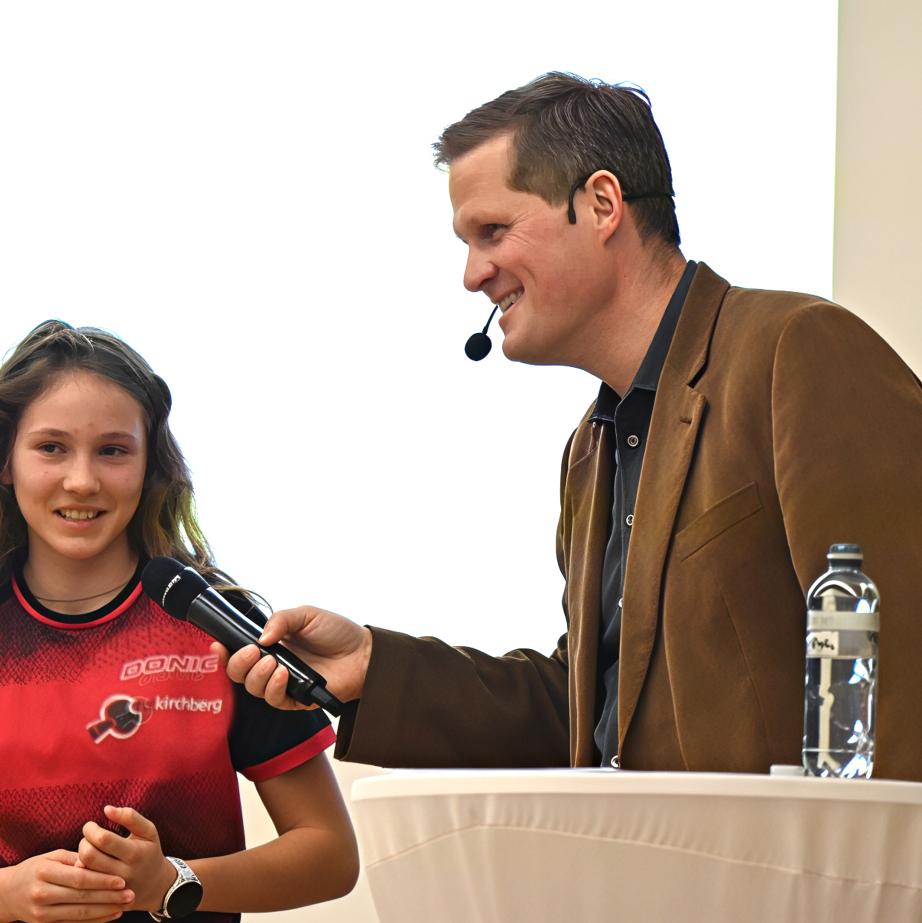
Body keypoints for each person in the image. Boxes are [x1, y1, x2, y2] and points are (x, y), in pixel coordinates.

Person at [221, 73, 922, 781]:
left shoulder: (797, 350)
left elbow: (900, 663)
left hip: (806, 858)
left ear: (602, 204)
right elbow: (586, 716)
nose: (472, 275)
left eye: (493, 232)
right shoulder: (590, 447)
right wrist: (373, 666)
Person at [0, 322, 358, 923]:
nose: (82, 481)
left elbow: (330, 855)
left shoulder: (216, 623)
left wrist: (172, 882)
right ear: (4, 460)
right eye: (51, 447)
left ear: (149, 466)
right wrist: (7, 893)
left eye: (114, 450)